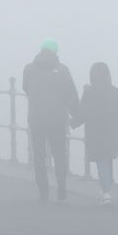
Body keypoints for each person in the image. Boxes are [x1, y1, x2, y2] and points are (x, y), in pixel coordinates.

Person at [22, 39, 79, 202]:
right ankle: (61, 186)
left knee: (39, 156)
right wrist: (76, 115)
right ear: (56, 52)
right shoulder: (62, 70)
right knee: (59, 153)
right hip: (57, 119)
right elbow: (71, 94)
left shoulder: (29, 69)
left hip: (37, 118)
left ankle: (44, 192)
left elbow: (26, 87)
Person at [71, 62, 118, 204]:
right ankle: (106, 187)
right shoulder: (115, 92)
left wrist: (73, 123)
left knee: (101, 160)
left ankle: (106, 191)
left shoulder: (89, 92)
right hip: (112, 132)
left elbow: (83, 112)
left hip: (95, 133)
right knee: (107, 158)